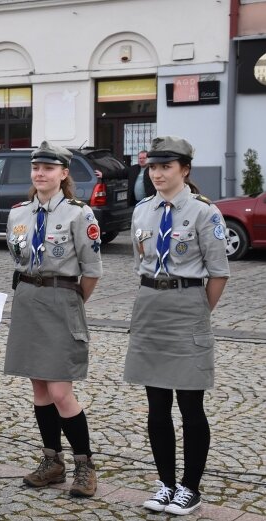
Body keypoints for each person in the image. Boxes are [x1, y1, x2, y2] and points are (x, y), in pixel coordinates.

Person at [123, 136, 229, 516]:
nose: (157, 174)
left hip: (188, 305)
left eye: (166, 166)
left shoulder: (204, 212)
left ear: (184, 169)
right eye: (153, 167)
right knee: (156, 405)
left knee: (190, 404)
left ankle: (190, 487)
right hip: (150, 304)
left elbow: (218, 273)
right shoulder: (143, 211)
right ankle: (165, 483)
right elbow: (141, 261)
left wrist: (198, 311)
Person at [4, 141, 103, 498]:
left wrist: (71, 302)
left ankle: (84, 464)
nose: (40, 174)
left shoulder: (79, 214)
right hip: (28, 298)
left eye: (48, 168)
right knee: (40, 389)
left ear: (64, 173)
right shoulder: (18, 213)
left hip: (62, 299)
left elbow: (91, 271)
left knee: (62, 391)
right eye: (36, 168)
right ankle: (52, 461)